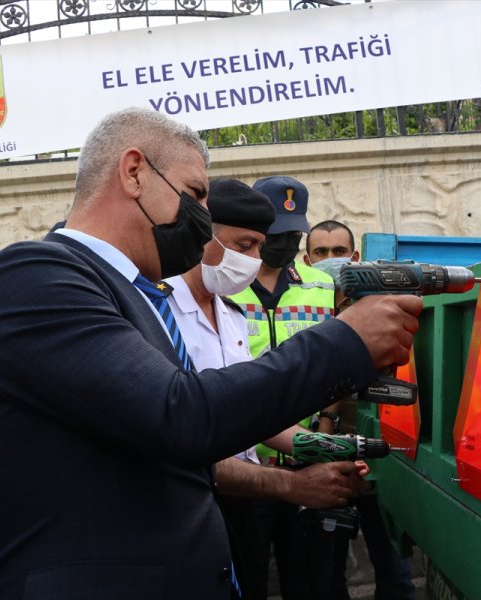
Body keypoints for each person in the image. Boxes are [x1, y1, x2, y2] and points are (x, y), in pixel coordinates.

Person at [0, 107, 422, 599]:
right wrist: (344, 339)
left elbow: (167, 452)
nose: (202, 219)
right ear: (134, 173)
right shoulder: (33, 276)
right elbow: (181, 415)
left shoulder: (133, 295)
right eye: (194, 194)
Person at [165, 177, 365, 599]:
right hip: (200, 500)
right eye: (245, 246)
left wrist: (328, 448)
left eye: (260, 246)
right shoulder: (160, 310)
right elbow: (185, 438)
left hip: (247, 486)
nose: (255, 260)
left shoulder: (231, 315)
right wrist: (292, 484)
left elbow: (252, 413)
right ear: (202, 236)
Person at [230, 176, 342, 599]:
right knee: (248, 581)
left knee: (309, 583)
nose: (285, 243)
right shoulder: (227, 286)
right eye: (276, 234)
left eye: (294, 235)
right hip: (248, 468)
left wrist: (325, 429)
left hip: (306, 461)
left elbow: (335, 365)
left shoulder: (321, 286)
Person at [305, 220, 417, 600]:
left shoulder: (377, 308)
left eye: (339, 251)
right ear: (307, 259)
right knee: (327, 571)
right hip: (328, 459)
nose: (331, 259)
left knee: (393, 568)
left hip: (379, 459)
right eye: (321, 252)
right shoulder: (306, 309)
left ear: (354, 257)